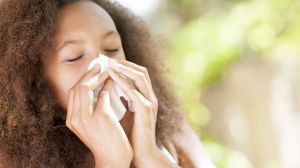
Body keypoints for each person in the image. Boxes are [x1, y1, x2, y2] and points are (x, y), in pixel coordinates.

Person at [0, 0, 215, 167]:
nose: (104, 65)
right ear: (36, 81)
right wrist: (112, 161)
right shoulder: (11, 158)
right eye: (75, 56)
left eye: (112, 48)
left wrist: (149, 155)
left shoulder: (172, 133)